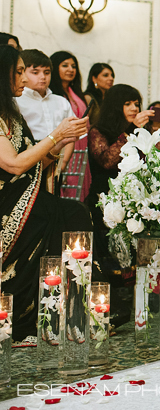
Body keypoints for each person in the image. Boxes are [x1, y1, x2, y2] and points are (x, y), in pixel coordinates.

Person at [0, 45, 90, 340]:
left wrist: (63, 141)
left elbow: (34, 157)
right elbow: (13, 165)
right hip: (8, 203)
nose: (24, 79)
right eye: (19, 72)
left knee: (76, 213)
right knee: (53, 213)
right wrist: (56, 135)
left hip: (25, 195)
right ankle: (34, 311)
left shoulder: (10, 114)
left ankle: (69, 308)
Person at [85, 84, 155, 325]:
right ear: (117, 106)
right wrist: (130, 131)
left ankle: (145, 296)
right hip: (104, 199)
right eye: (128, 103)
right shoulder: (99, 130)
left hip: (135, 199)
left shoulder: (139, 131)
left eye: (137, 103)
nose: (135, 107)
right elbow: (106, 160)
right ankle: (114, 299)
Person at [15, 50, 75, 193]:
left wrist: (64, 162)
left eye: (46, 72)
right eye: (35, 72)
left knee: (52, 201)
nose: (42, 77)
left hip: (56, 161)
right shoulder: (16, 100)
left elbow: (71, 136)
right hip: (27, 159)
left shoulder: (61, 101)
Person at [50, 51, 91, 200]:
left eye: (73, 66)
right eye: (65, 65)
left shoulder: (76, 93)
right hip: (63, 147)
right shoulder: (53, 95)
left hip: (80, 147)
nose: (70, 69)